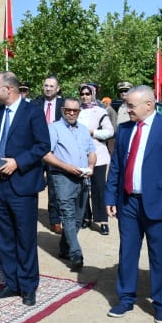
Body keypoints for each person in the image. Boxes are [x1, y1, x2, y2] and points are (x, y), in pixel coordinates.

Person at [104, 85, 162, 323]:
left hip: (159, 202)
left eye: (131, 106)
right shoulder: (124, 129)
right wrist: (110, 196)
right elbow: (117, 166)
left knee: (159, 255)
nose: (127, 109)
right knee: (127, 252)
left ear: (149, 105)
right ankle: (126, 298)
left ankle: (161, 304)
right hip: (128, 202)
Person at [0, 72, 53, 306]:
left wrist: (17, 162)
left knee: (25, 238)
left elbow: (43, 145)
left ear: (9, 88)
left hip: (22, 186)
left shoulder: (32, 112)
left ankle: (28, 286)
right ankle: (11, 283)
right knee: (4, 238)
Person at [42, 96, 96, 273]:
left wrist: (91, 166)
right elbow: (46, 154)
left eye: (75, 110)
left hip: (82, 177)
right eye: (68, 110)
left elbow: (92, 151)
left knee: (79, 218)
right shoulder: (54, 128)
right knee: (68, 215)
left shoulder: (83, 130)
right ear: (62, 110)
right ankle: (76, 254)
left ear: (79, 112)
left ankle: (65, 248)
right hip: (62, 176)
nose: (72, 113)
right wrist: (67, 167)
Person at [77, 83, 114, 235]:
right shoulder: (76, 111)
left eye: (87, 93)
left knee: (99, 188)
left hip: (98, 154)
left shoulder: (100, 111)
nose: (85, 96)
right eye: (82, 94)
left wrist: (93, 132)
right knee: (82, 187)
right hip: (80, 156)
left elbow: (110, 131)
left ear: (93, 94)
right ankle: (86, 217)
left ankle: (103, 220)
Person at [33, 75, 65, 235]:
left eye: (51, 86)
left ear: (57, 88)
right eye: (46, 85)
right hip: (37, 151)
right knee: (33, 184)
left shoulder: (64, 105)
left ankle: (55, 220)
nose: (48, 88)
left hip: (55, 152)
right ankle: (30, 215)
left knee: (54, 187)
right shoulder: (35, 104)